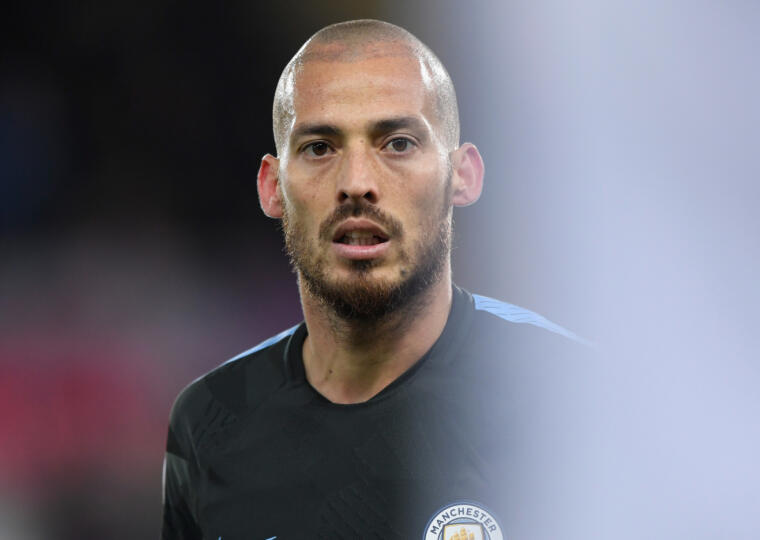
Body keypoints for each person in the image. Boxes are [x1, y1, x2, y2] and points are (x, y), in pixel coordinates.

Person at [161, 19, 589, 540]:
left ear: (463, 176)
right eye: (320, 147)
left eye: (398, 143)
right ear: (273, 188)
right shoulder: (210, 422)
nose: (357, 184)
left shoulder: (577, 398)